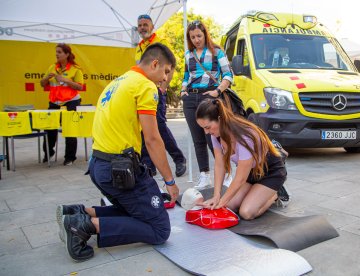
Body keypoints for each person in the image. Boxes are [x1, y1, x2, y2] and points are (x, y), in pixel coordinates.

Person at [57, 43, 179, 262]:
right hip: (119, 171)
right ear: (154, 64)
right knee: (160, 229)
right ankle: (83, 226)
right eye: (166, 72)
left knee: (136, 209)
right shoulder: (145, 86)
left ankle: (80, 212)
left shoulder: (119, 81)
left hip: (99, 166)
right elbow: (152, 139)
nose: (165, 79)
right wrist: (170, 181)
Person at [195, 98, 288, 220]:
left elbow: (240, 178)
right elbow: (219, 165)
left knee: (246, 212)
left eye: (207, 127)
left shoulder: (244, 136)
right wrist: (216, 196)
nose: (206, 132)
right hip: (251, 173)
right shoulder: (216, 134)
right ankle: (256, 191)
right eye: (203, 128)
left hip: (270, 172)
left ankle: (275, 194)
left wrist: (221, 202)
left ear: (219, 119)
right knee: (229, 206)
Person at [181, 20, 233, 189]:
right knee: (198, 139)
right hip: (191, 98)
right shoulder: (188, 54)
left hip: (209, 95)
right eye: (193, 37)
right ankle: (204, 176)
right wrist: (183, 90)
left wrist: (217, 92)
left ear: (205, 35)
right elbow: (186, 76)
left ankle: (226, 172)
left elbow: (228, 75)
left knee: (214, 137)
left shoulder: (216, 51)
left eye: (199, 36)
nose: (196, 39)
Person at [136, 14, 186, 177]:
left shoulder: (161, 43)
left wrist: (163, 87)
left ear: (152, 26)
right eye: (140, 25)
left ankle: (179, 159)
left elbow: (170, 67)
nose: (142, 27)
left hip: (156, 91)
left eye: (145, 24)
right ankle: (149, 165)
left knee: (160, 126)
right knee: (144, 128)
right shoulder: (139, 47)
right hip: (142, 91)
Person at [40, 43, 84, 166]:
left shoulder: (76, 69)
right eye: (56, 52)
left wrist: (65, 80)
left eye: (59, 52)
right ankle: (48, 153)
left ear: (67, 54)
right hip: (54, 102)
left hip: (71, 101)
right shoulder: (52, 67)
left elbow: (80, 86)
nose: (57, 54)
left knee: (69, 129)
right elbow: (42, 84)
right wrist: (45, 79)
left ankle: (70, 157)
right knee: (49, 128)